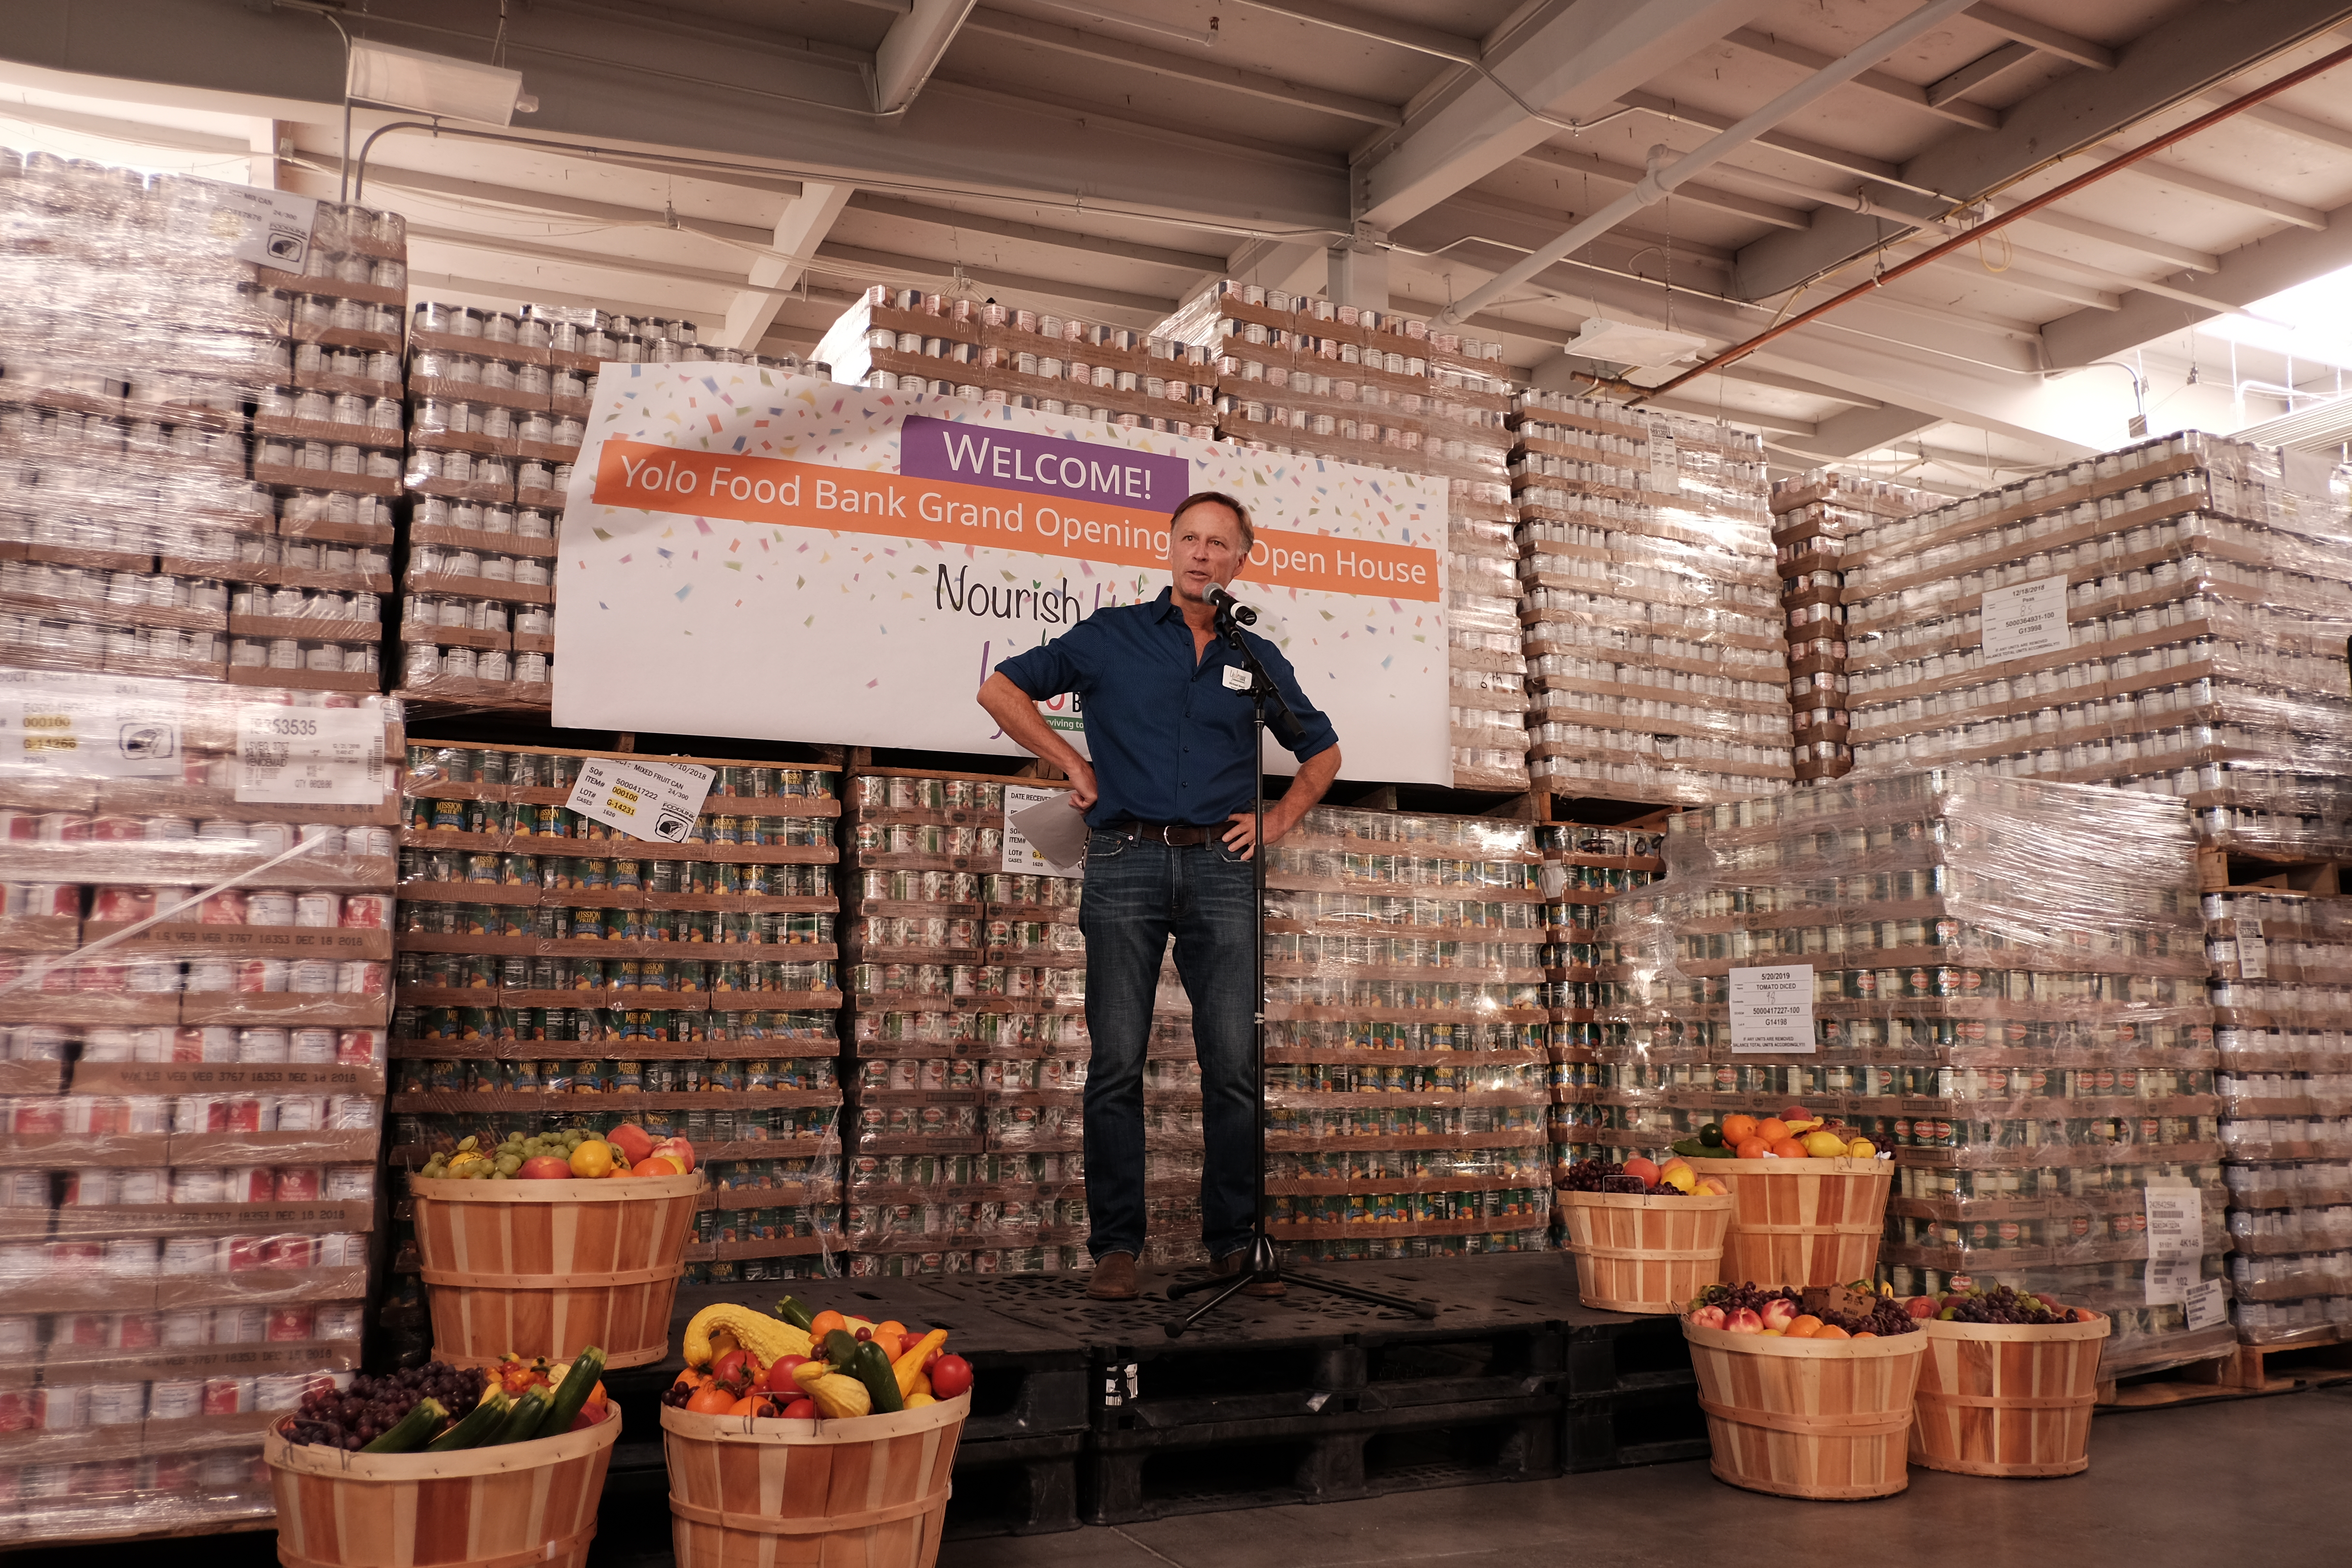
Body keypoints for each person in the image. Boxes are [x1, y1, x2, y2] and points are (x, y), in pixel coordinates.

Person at [978, 491, 1342, 1301]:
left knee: (1234, 1068)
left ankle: (1233, 1243)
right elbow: (1001, 689)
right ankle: (1116, 1247)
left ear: (1242, 559)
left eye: (1218, 544)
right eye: (1188, 540)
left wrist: (1278, 817)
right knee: (1115, 1064)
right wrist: (1071, 766)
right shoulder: (1110, 637)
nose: (1200, 555)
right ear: (1169, 547)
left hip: (1221, 868)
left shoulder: (1255, 656)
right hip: (1123, 860)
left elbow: (1321, 750)